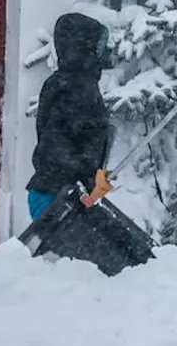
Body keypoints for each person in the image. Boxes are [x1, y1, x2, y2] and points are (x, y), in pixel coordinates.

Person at [26, 12, 115, 222]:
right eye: (98, 45)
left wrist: (94, 178)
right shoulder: (75, 90)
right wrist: (87, 183)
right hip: (56, 197)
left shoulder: (70, 84)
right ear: (82, 49)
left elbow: (82, 141)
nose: (105, 51)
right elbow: (56, 147)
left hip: (55, 192)